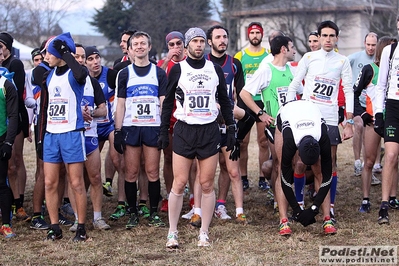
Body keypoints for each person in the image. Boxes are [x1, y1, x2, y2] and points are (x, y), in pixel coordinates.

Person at [159, 27, 235, 248]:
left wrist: (231, 127)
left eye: (202, 41)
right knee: (180, 183)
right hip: (184, 129)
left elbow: (226, 101)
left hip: (209, 130)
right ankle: (172, 232)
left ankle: (204, 232)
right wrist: (164, 131)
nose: (199, 45)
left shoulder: (215, 69)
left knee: (206, 183)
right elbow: (167, 104)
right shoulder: (177, 69)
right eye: (195, 41)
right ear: (187, 45)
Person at [287, 20, 354, 223]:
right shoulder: (308, 57)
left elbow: (349, 90)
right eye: (324, 35)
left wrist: (348, 121)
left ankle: (329, 207)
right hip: (309, 116)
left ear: (336, 38)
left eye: (331, 36)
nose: (327, 39)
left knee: (330, 164)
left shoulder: (343, 61)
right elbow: (294, 85)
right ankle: (298, 204)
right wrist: (291, 111)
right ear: (319, 37)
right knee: (300, 162)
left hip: (331, 117)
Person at [240, 35, 299, 228]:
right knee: (280, 166)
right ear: (283, 49)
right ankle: (282, 212)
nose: (294, 50)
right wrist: (261, 113)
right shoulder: (266, 69)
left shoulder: (291, 70)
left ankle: (292, 202)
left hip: (294, 125)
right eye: (291, 47)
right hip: (276, 126)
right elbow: (244, 93)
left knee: (292, 164)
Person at [37, 32, 89, 241]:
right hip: (51, 135)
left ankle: (82, 227)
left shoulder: (75, 73)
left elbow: (80, 74)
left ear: (60, 53)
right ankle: (54, 226)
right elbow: (44, 108)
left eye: (49, 53)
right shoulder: (47, 75)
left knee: (76, 183)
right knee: (50, 182)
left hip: (71, 133)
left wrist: (66, 52)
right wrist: (41, 137)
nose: (45, 56)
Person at [114, 31, 167, 229]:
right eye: (135, 44)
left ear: (149, 46)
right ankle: (133, 213)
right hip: (131, 127)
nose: (139, 47)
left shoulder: (158, 73)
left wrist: (163, 130)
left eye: (142, 43)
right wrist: (118, 130)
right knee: (131, 172)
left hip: (152, 126)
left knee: (152, 171)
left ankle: (153, 212)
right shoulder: (125, 73)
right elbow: (120, 104)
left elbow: (163, 102)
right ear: (129, 49)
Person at [206, 25, 252, 223]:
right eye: (218, 37)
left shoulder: (234, 63)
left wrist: (238, 116)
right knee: (203, 171)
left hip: (227, 122)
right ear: (210, 42)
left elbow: (241, 94)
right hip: (206, 123)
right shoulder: (203, 62)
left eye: (224, 36)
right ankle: (198, 208)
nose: (222, 40)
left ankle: (231, 208)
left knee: (231, 168)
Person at [275, 100, 336, 235]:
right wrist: (298, 211)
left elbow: (327, 177)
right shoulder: (290, 139)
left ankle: (327, 219)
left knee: (319, 169)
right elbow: (285, 181)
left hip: (311, 112)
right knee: (281, 169)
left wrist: (313, 209)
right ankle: (283, 220)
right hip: (287, 113)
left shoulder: (323, 136)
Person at [66, 44, 110, 231]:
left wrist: (91, 112)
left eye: (82, 57)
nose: (80, 60)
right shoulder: (65, 80)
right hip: (71, 135)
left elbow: (103, 109)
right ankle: (78, 219)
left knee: (95, 177)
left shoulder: (91, 82)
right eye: (76, 57)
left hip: (90, 135)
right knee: (74, 180)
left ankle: (98, 218)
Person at [84, 46, 128, 222]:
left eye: (97, 58)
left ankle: (122, 202)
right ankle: (83, 201)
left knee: (118, 161)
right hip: (92, 127)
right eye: (91, 59)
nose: (95, 62)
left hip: (108, 124)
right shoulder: (82, 78)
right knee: (88, 169)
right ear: (85, 62)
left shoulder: (110, 75)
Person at [354, 36, 397, 214]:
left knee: (392, 159)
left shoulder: (394, 71)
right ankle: (366, 198)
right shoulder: (370, 69)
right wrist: (362, 114)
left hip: (393, 118)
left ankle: (392, 198)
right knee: (370, 161)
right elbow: (353, 92)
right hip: (373, 121)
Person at [156, 31, 188, 213]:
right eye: (172, 45)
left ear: (184, 45)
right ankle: (169, 195)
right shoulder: (163, 65)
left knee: (191, 160)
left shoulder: (191, 63)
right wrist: (167, 60)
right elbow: (157, 80)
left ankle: (192, 198)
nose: (176, 48)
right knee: (168, 158)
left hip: (188, 118)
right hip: (169, 118)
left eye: (178, 44)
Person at [234, 22, 268, 191]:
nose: (255, 35)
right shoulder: (240, 56)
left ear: (262, 35)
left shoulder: (268, 55)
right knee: (242, 143)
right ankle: (244, 177)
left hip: (262, 101)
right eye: (252, 32)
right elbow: (235, 81)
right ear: (248, 35)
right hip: (245, 101)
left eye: (257, 32)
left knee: (263, 142)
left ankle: (263, 177)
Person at [0, 32, 30, 222]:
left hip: (16, 116)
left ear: (8, 47)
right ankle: (9, 200)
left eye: (1, 45)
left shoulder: (15, 64)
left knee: (15, 161)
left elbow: (16, 93)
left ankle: (19, 203)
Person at [374, 16, 399, 225]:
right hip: (393, 105)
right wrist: (379, 114)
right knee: (390, 155)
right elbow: (381, 85)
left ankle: (394, 197)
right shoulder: (389, 51)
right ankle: (384, 205)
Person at [348, 32, 380, 177]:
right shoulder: (355, 57)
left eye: (374, 45)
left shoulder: (380, 59)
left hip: (373, 103)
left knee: (376, 128)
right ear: (364, 43)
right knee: (359, 125)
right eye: (368, 44)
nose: (371, 48)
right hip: (357, 102)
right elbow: (341, 66)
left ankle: (376, 163)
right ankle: (357, 162)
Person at [0, 44, 19, 238]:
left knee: (1, 183)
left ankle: (6, 224)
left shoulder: (6, 84)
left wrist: (8, 142)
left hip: (1, 137)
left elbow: (13, 116)